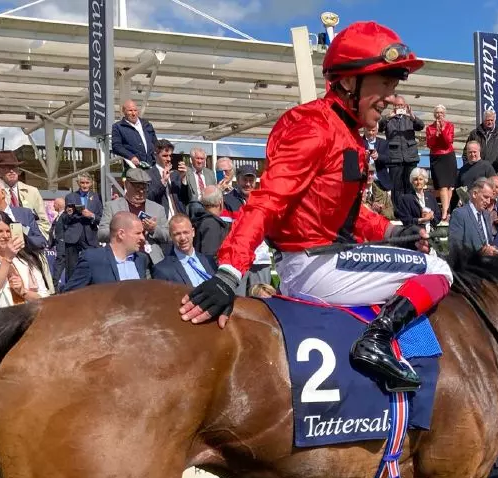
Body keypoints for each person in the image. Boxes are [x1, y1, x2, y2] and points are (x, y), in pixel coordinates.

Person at [176, 22, 455, 394]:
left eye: (394, 87)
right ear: (350, 82)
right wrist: (229, 273)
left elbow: (339, 214)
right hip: (319, 265)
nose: (392, 98)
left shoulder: (344, 132)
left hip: (320, 261)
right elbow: (268, 199)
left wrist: (389, 232)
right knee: (438, 268)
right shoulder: (314, 126)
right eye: (385, 85)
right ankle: (374, 341)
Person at [65, 211, 150, 291]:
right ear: (121, 234)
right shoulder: (92, 259)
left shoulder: (141, 259)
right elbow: (69, 296)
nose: (142, 238)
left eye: (142, 233)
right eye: (138, 233)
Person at [379, 98, 423, 199]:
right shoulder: (389, 119)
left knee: (410, 185)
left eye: (401, 105)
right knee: (395, 186)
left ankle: (410, 208)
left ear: (405, 106)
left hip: (410, 157)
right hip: (394, 158)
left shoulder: (410, 118)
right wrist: (388, 117)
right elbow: (379, 127)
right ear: (393, 106)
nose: (399, 107)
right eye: (397, 105)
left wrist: (412, 116)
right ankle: (397, 210)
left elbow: (421, 126)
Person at [425, 105, 456, 221]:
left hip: (448, 156)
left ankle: (447, 211)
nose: (439, 115)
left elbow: (448, 142)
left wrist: (442, 130)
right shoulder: (429, 128)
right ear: (434, 114)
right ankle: (445, 212)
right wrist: (436, 134)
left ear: (444, 114)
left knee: (449, 187)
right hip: (437, 157)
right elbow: (430, 144)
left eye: (441, 112)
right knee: (442, 186)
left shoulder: (450, 126)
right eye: (437, 112)